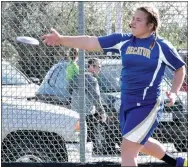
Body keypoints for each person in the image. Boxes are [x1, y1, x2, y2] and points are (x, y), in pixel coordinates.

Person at [41, 4, 187, 167]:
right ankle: (178, 162)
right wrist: (61, 39)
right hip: (126, 104)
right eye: (132, 19)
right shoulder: (124, 40)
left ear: (151, 25)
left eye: (138, 20)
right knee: (142, 143)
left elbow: (180, 68)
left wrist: (174, 92)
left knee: (128, 149)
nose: (132, 23)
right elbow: (91, 41)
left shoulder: (161, 46)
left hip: (147, 105)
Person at [69, 58, 107, 154]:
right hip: (87, 113)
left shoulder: (76, 77)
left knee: (78, 137)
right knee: (90, 138)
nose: (100, 69)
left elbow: (69, 90)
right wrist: (102, 112)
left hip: (74, 112)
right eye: (99, 67)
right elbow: (96, 98)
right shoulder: (92, 80)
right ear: (91, 67)